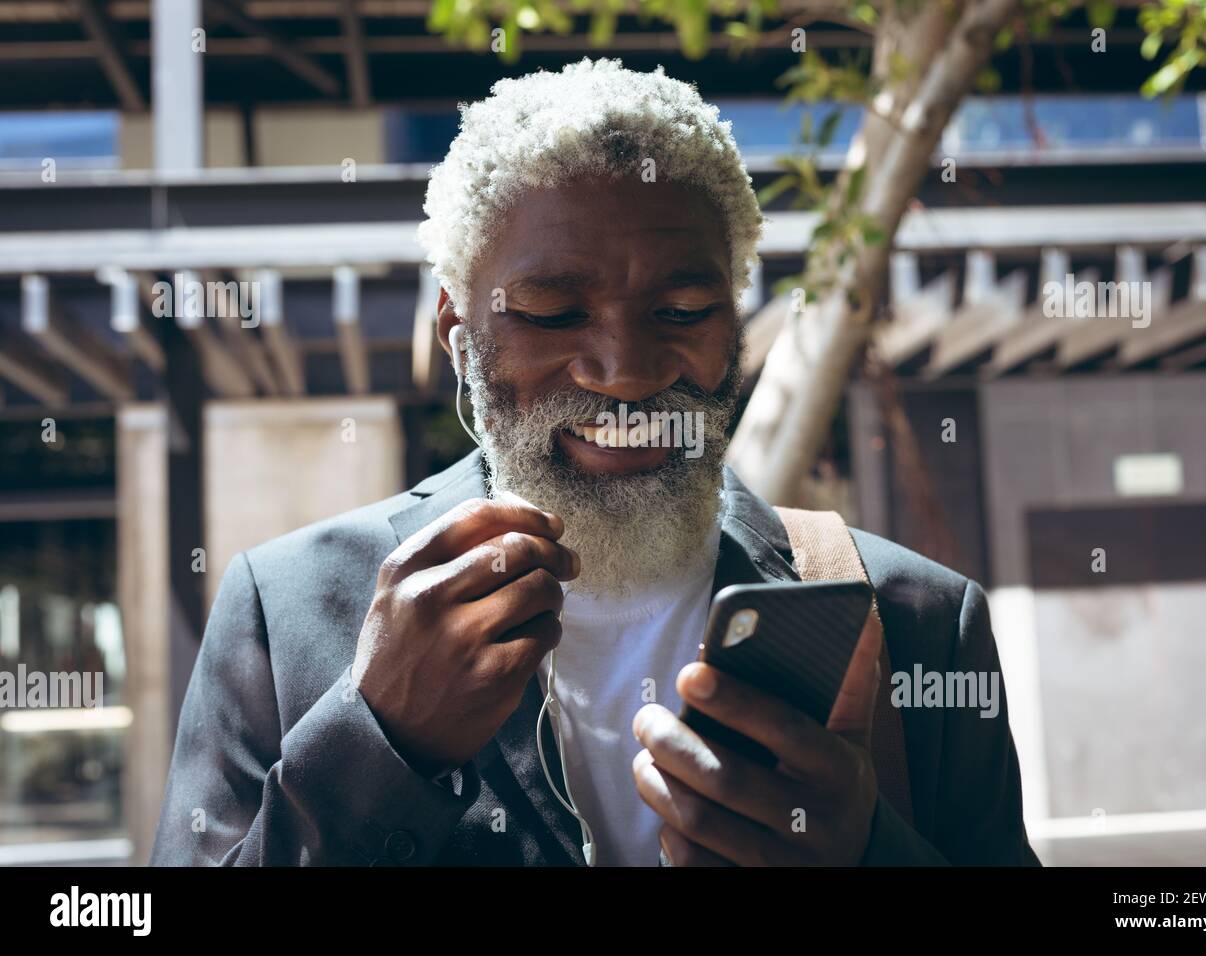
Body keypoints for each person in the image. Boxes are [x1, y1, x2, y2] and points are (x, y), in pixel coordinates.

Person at [150, 57, 1039, 867]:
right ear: (460, 338)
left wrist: (870, 853)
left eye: (684, 309)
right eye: (552, 313)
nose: (627, 373)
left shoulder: (917, 618)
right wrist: (379, 745)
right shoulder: (288, 609)